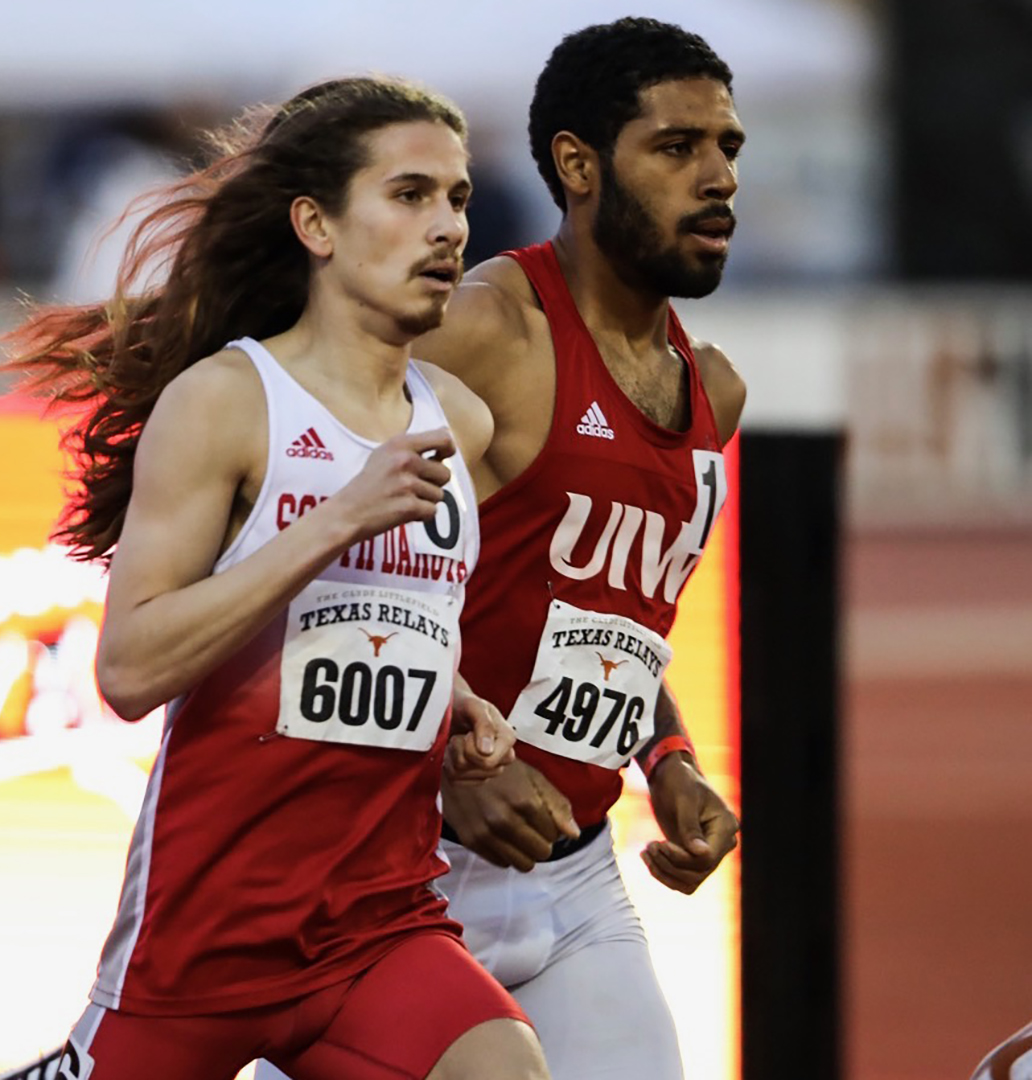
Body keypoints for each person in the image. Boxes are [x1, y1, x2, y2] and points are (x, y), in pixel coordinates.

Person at [0, 76, 550, 1080]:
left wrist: (454, 698)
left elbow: (372, 623)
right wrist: (337, 519)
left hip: (376, 929)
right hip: (205, 944)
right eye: (410, 195)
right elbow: (128, 670)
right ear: (316, 225)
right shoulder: (227, 403)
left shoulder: (459, 423)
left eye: (460, 200)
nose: (446, 230)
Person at [272, 19, 746, 1080]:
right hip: (392, 871)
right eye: (676, 148)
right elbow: (306, 564)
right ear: (578, 165)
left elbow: (610, 624)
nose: (717, 178)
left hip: (574, 881)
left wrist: (666, 760)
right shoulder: (487, 330)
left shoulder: (713, 391)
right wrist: (448, 753)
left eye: (728, 148)